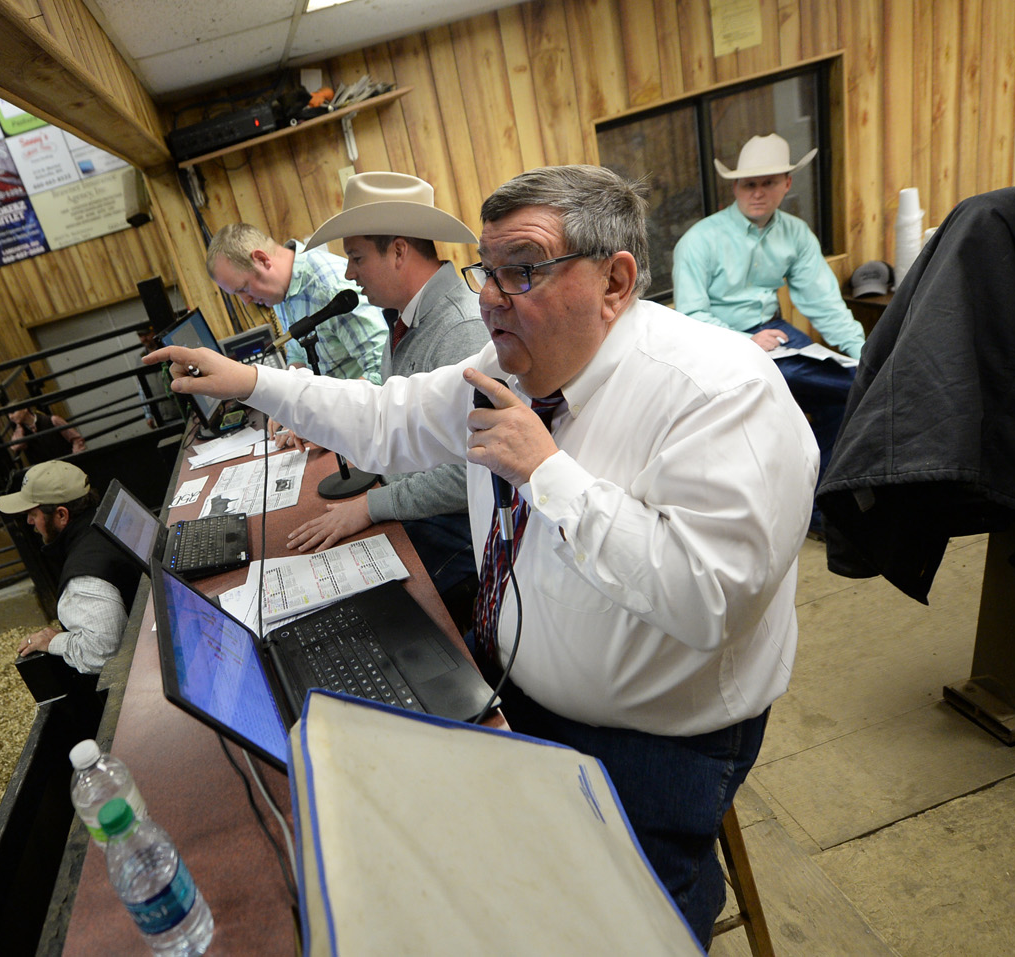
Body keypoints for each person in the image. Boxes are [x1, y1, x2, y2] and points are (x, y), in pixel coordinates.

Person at [147, 165, 817, 945]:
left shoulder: (720, 392)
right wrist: (253, 380)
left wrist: (548, 474)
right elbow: (386, 417)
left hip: (655, 737)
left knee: (619, 929)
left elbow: (710, 600)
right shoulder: (508, 369)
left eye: (522, 270)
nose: (491, 297)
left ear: (615, 279)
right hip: (520, 691)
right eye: (487, 272)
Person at [287, 172, 489, 603]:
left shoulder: (462, 329)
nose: (348, 272)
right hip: (417, 512)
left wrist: (368, 507)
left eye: (356, 257)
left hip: (461, 540)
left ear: (398, 251)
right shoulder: (405, 318)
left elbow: (474, 471)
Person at [671, 133, 867, 535]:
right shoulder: (699, 241)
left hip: (774, 332)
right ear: (734, 187)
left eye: (768, 183)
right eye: (749, 184)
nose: (757, 193)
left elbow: (824, 303)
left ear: (786, 185)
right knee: (786, 392)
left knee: (853, 385)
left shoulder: (795, 234)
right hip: (716, 341)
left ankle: (821, 504)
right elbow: (691, 316)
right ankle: (791, 503)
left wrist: (865, 352)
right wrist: (745, 342)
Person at [0, 461, 139, 675]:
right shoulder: (113, 520)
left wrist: (55, 641)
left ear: (61, 515)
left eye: (33, 514)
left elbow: (103, 654)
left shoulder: (82, 581)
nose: (29, 522)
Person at [206, 222, 388, 383]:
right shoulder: (279, 291)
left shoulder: (328, 288)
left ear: (262, 260)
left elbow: (382, 370)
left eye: (244, 288)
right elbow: (297, 354)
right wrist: (288, 403)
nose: (246, 302)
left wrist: (324, 411)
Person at [8, 405, 85, 465]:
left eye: (13, 412)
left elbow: (76, 438)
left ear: (24, 409)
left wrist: (75, 458)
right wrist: (19, 428)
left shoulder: (52, 420)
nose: (10, 417)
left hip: (68, 463)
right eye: (9, 414)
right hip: (48, 473)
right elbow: (16, 446)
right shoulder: (21, 432)